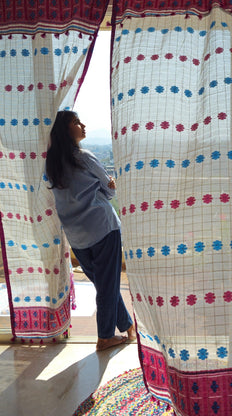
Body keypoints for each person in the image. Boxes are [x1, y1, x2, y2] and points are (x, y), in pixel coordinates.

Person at [46, 110, 135, 351]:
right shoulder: (83, 157)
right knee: (107, 285)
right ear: (66, 130)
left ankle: (127, 326)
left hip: (77, 236)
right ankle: (105, 336)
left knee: (105, 284)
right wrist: (111, 186)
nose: (83, 125)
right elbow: (109, 190)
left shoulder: (51, 164)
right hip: (103, 229)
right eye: (76, 122)